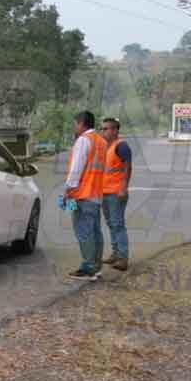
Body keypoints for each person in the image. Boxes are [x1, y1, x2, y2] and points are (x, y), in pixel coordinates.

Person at [64, 111, 108, 281]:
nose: (74, 127)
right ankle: (96, 266)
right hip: (96, 194)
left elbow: (76, 168)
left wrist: (68, 190)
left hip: (81, 194)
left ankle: (88, 267)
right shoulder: (102, 142)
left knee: (83, 230)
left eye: (75, 124)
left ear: (81, 123)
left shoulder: (83, 140)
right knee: (95, 231)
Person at [100, 117, 131, 271]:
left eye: (106, 129)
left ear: (115, 130)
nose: (103, 131)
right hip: (105, 192)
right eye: (102, 129)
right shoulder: (106, 146)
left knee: (118, 224)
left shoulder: (121, 146)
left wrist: (124, 188)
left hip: (116, 193)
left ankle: (123, 258)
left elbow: (127, 167)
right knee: (111, 223)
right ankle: (115, 253)